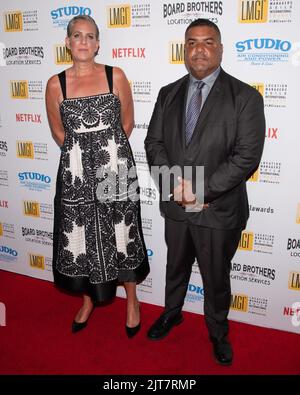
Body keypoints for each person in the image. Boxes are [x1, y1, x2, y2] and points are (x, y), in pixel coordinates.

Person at [145, 18, 265, 365]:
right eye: (192, 42)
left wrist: (198, 190)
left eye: (208, 42)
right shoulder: (168, 93)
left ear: (221, 49)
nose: (199, 49)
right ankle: (172, 312)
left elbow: (246, 157)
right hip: (176, 207)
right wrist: (172, 185)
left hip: (218, 209)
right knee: (175, 266)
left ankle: (217, 332)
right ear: (184, 49)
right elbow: (153, 143)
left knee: (216, 278)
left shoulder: (245, 97)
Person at [45, 15, 149, 337]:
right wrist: (83, 160)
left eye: (90, 36)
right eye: (78, 36)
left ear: (98, 43)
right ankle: (88, 299)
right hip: (76, 177)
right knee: (83, 237)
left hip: (114, 168)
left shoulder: (115, 75)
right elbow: (59, 133)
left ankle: (132, 300)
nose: (84, 42)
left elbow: (127, 124)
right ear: (68, 42)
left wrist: (105, 156)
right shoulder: (55, 84)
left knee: (123, 230)